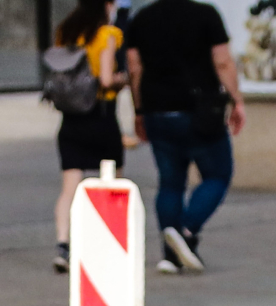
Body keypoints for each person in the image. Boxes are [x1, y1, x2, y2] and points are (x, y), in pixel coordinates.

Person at [124, 0, 246, 274]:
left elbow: (134, 67)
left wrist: (139, 110)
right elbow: (223, 62)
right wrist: (236, 100)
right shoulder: (206, 14)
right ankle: (187, 232)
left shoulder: (142, 18)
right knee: (218, 174)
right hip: (199, 110)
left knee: (170, 184)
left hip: (157, 111)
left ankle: (170, 255)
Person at [50, 0, 126, 273]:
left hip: (71, 119)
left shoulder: (65, 32)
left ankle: (63, 245)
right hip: (101, 116)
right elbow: (106, 79)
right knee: (112, 181)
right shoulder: (108, 34)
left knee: (69, 188)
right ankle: (109, 242)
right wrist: (124, 79)